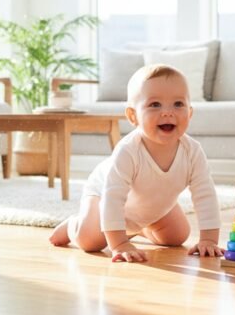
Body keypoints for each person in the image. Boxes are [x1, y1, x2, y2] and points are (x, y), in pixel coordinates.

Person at [49, 63, 223, 263]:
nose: (167, 112)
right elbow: (112, 198)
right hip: (104, 196)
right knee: (90, 241)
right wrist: (119, 244)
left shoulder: (192, 152)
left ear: (190, 113)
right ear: (133, 116)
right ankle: (73, 225)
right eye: (155, 105)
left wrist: (209, 239)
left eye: (178, 104)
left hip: (151, 205)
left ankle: (138, 229)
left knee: (177, 236)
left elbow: (205, 194)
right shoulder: (128, 151)